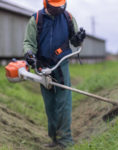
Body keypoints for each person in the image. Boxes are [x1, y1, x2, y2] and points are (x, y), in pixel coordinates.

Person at [23, 0, 86, 148]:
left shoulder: (68, 18)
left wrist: (78, 39)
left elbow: (75, 42)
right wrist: (29, 54)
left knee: (63, 102)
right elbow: (28, 43)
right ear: (46, 4)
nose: (58, 10)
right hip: (42, 67)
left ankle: (66, 140)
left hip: (60, 64)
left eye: (60, 6)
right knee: (50, 104)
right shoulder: (36, 19)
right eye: (54, 7)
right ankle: (54, 139)